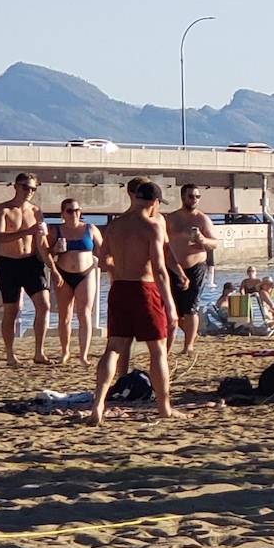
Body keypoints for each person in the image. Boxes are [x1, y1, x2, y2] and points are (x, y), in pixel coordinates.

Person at [90, 181, 181, 425]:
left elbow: (102, 261)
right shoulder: (152, 226)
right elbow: (160, 269)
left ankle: (98, 405)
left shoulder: (115, 225)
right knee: (158, 351)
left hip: (119, 288)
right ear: (154, 202)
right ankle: (164, 407)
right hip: (144, 288)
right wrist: (170, 304)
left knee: (113, 349)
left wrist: (120, 265)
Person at [0, 173, 62, 366]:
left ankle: (39, 352)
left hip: (31, 263)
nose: (29, 192)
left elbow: (40, 243)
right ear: (16, 186)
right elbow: (0, 237)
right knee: (11, 310)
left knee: (44, 305)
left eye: (33, 189)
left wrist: (53, 267)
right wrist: (27, 231)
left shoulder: (36, 211)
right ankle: (9, 353)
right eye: (26, 187)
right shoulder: (2, 209)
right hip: (9, 263)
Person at [164, 184, 220, 355]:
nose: (194, 200)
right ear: (183, 197)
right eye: (191, 196)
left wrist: (202, 240)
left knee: (191, 307)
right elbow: (161, 241)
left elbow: (215, 243)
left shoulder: (202, 219)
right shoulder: (171, 219)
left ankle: (188, 345)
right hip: (173, 266)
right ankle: (174, 341)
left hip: (196, 266)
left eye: (197, 197)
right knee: (172, 307)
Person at [49, 198, 104, 364]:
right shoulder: (56, 231)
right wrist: (55, 249)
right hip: (64, 273)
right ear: (62, 214)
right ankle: (65, 351)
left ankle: (83, 355)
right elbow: (45, 255)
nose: (74, 214)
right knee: (65, 315)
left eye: (77, 210)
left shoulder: (90, 228)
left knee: (84, 314)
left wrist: (103, 264)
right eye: (70, 211)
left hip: (85, 273)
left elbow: (104, 250)